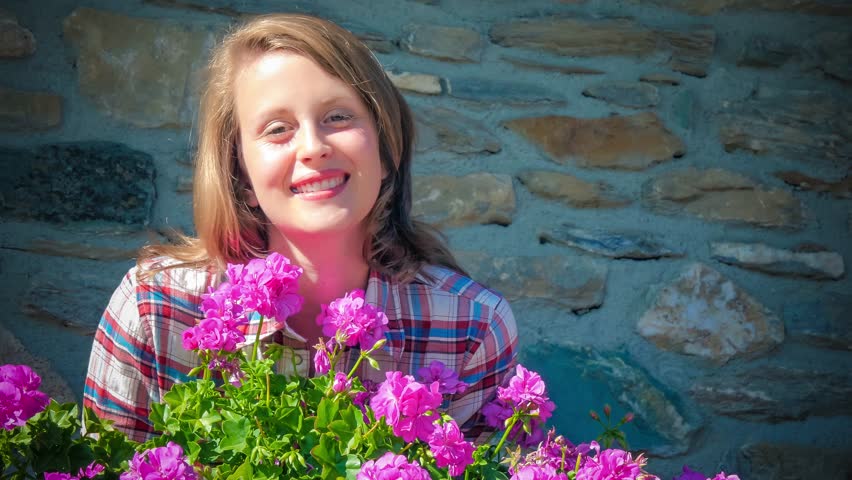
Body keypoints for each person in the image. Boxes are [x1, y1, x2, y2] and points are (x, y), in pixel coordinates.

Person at [83, 13, 518, 444]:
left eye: (338, 117)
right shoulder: (156, 309)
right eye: (278, 129)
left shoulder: (471, 329)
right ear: (241, 176)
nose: (312, 147)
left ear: (385, 151)